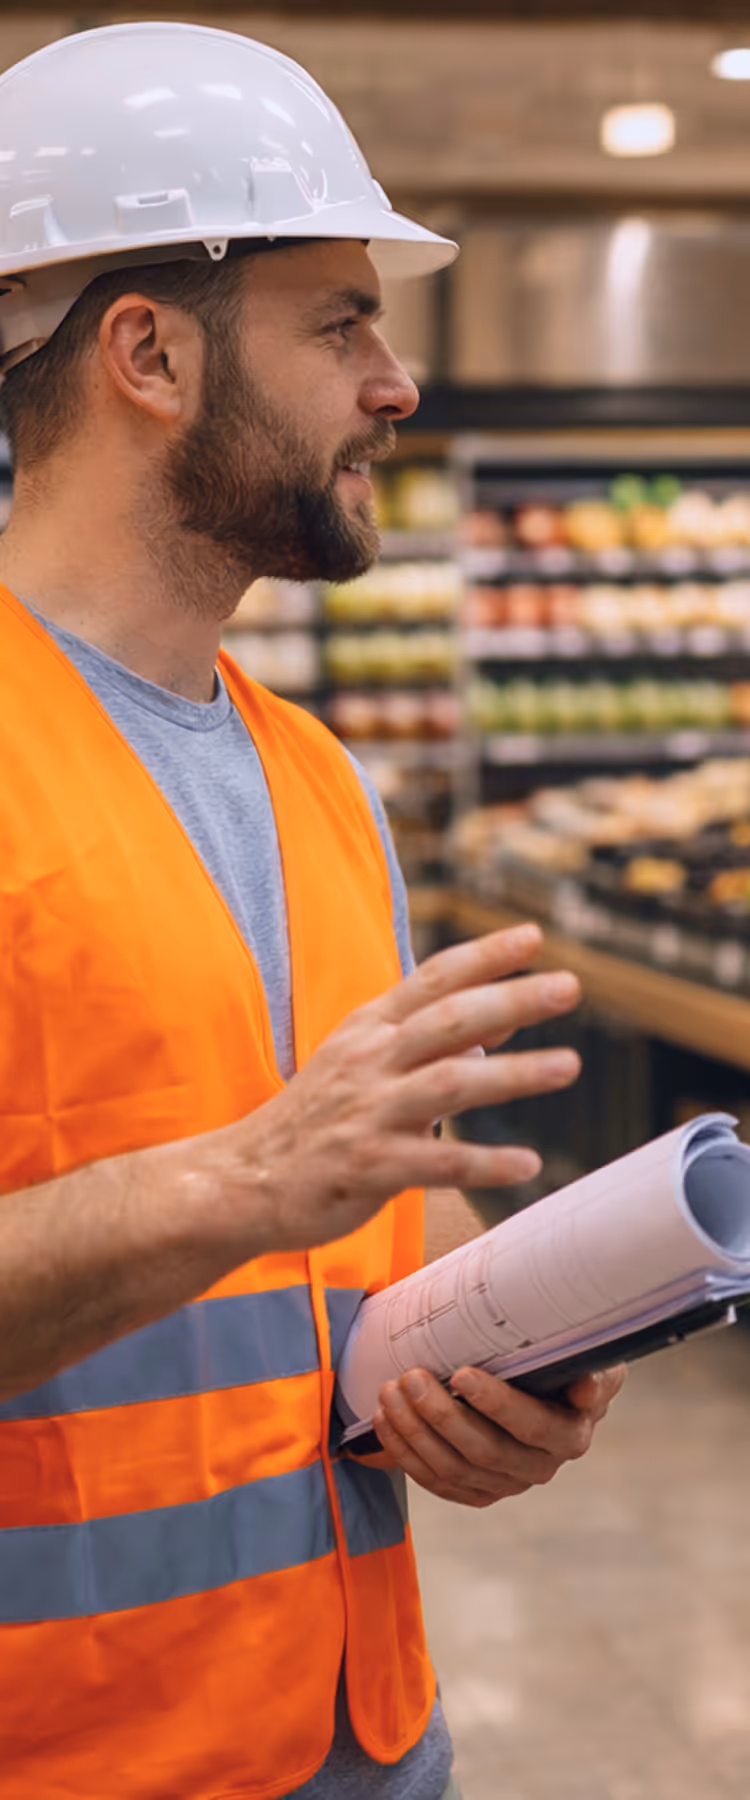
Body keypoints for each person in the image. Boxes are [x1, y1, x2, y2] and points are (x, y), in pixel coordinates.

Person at [0, 21, 623, 1800]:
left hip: (358, 1723)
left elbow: (293, 1299)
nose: (396, 381)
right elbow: (253, 1192)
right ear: (148, 353)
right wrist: (244, 1179)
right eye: (340, 322)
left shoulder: (319, 780)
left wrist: (461, 1377)